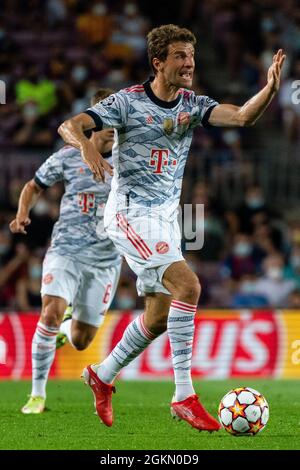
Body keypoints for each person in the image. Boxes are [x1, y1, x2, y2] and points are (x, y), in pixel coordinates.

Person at [58, 24, 286, 431]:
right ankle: (184, 395)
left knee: (161, 314)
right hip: (129, 212)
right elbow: (69, 126)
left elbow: (242, 116)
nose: (189, 64)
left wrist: (268, 89)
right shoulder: (126, 103)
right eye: (180, 56)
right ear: (158, 62)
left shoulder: (193, 103)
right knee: (189, 286)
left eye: (191, 57)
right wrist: (89, 146)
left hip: (165, 218)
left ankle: (102, 374)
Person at [10, 88, 122, 414]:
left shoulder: (130, 162)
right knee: (49, 312)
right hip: (66, 250)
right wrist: (22, 213)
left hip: (105, 260)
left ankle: (64, 327)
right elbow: (33, 186)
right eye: (107, 117)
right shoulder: (70, 156)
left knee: (82, 340)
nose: (114, 124)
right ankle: (37, 395)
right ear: (93, 121)